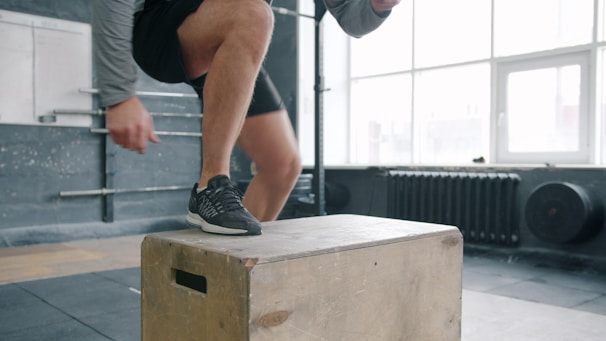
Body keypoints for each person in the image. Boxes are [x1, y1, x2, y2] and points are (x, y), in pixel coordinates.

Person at [92, 0, 401, 236]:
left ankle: (227, 267)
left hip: (236, 28)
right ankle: (210, 188)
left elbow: (352, 17)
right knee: (255, 15)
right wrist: (119, 94)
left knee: (282, 165)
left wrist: (377, 5)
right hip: (162, 22)